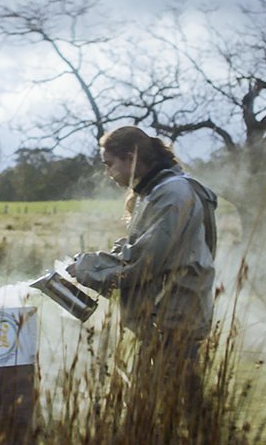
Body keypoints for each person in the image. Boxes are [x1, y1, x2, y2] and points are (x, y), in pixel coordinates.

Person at [65, 126, 218, 423]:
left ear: (130, 157)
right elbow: (144, 248)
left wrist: (88, 268)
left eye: (110, 164)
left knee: (156, 398)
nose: (108, 173)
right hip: (167, 312)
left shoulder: (172, 193)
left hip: (173, 311)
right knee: (182, 396)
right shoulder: (158, 190)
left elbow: (144, 260)